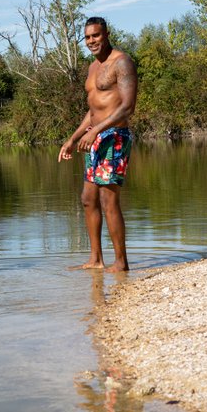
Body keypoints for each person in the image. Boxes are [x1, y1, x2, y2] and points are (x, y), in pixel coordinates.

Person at [58, 17, 138, 272]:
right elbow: (93, 110)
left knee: (108, 200)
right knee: (87, 199)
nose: (91, 41)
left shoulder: (121, 62)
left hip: (114, 136)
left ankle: (121, 262)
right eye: (87, 37)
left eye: (96, 35)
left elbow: (127, 106)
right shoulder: (93, 68)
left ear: (106, 34)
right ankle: (96, 259)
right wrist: (73, 138)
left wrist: (98, 132)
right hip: (95, 136)